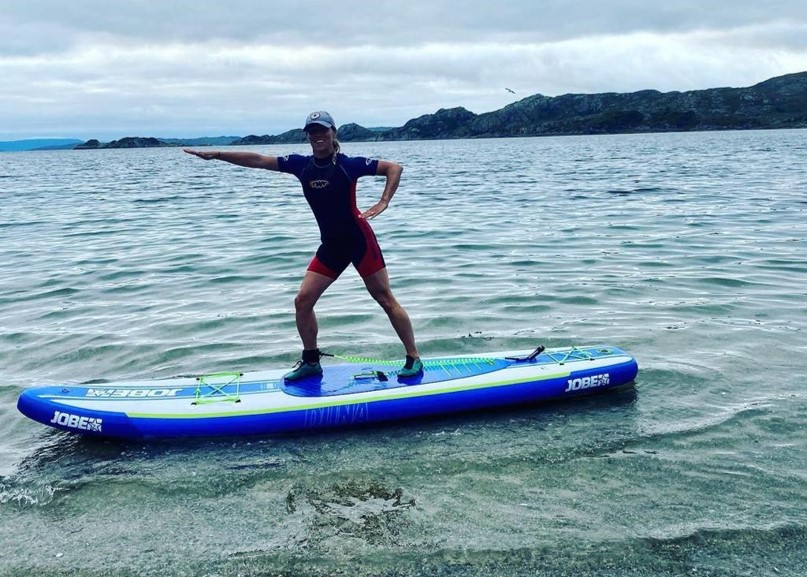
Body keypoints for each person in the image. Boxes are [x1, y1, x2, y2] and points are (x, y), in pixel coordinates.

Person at [184, 111, 423, 380]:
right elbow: (258, 160)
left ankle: (413, 357)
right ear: (308, 136)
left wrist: (384, 201)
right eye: (312, 131)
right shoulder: (301, 166)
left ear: (333, 133)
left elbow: (394, 168)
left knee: (384, 299)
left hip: (359, 241)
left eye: (322, 130)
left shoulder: (349, 164)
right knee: (303, 301)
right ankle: (311, 360)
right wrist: (217, 155)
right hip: (331, 246)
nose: (317, 136)